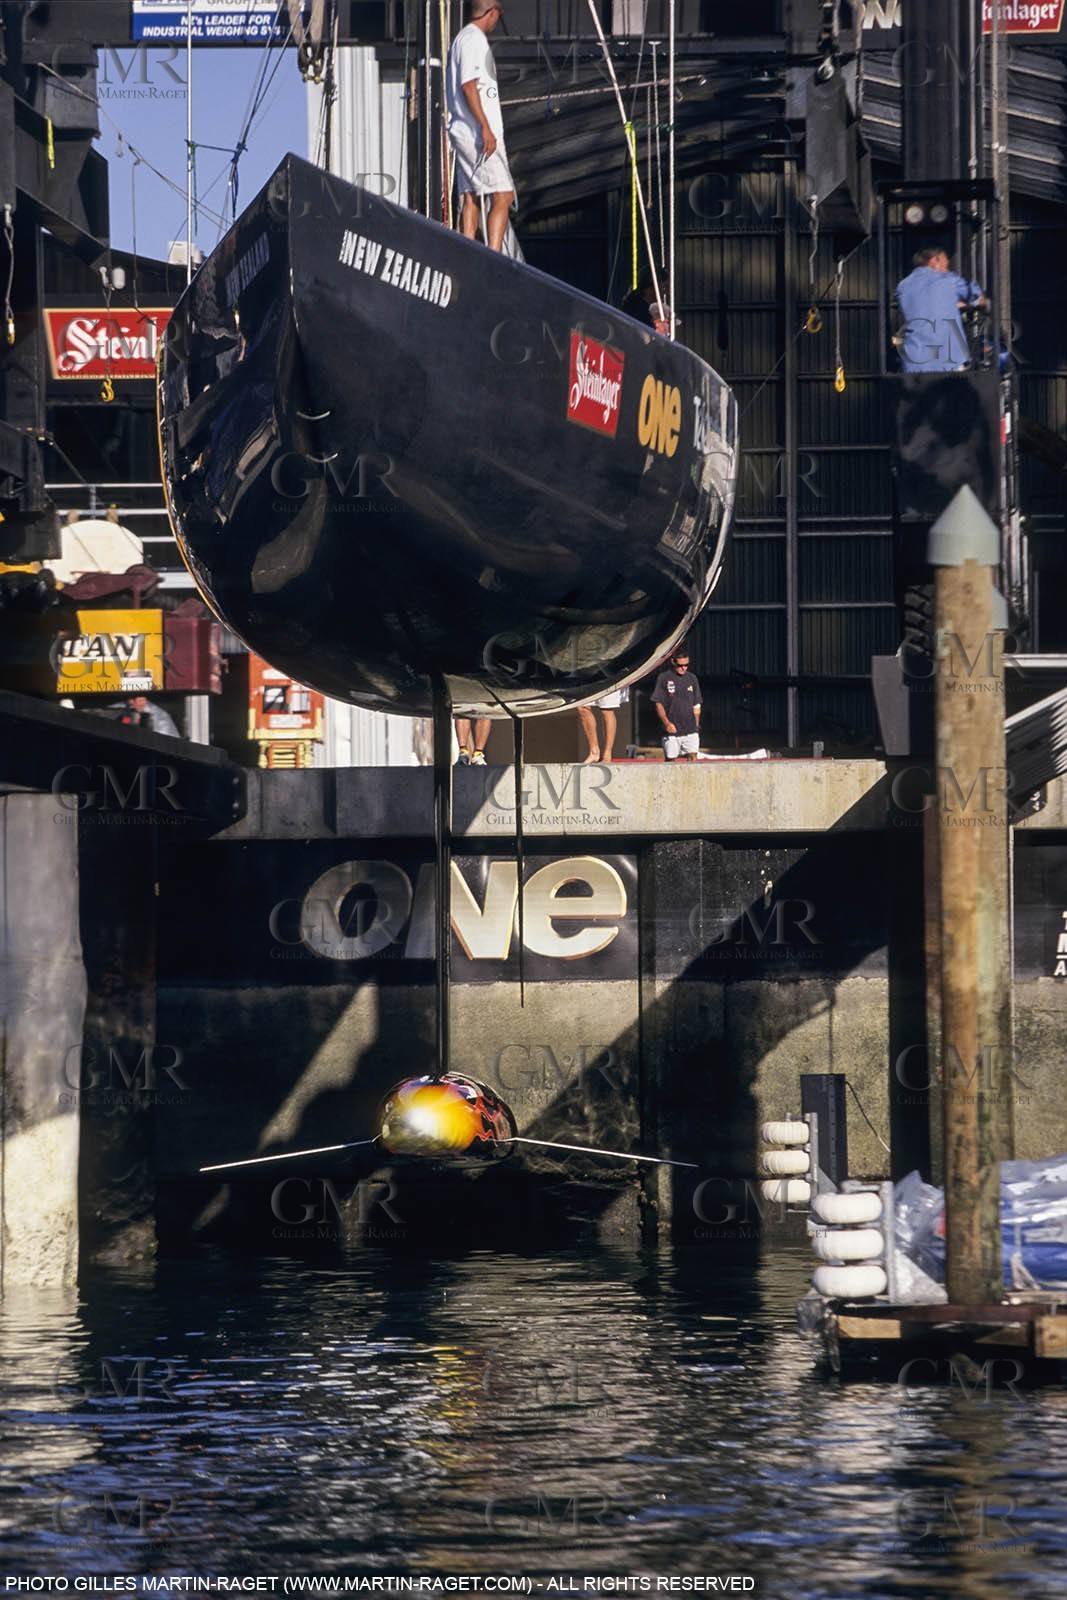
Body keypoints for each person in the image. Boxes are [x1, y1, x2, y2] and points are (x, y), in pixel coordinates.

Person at [446, 3, 515, 253]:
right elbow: (468, 85)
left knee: (471, 196)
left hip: (464, 131)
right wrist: (485, 127)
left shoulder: (461, 39)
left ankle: (467, 252)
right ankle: (492, 255)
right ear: (492, 12)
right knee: (503, 194)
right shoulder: (474, 39)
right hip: (476, 133)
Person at [895, 247, 987, 373]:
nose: (947, 270)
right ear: (934, 261)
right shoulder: (949, 280)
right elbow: (976, 298)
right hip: (949, 362)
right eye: (946, 265)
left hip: (914, 364)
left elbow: (926, 305)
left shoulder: (902, 286)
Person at [651, 645, 701, 761]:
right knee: (670, 760)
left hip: (690, 729)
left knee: (693, 758)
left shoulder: (692, 678)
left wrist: (696, 725)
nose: (683, 668)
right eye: (680, 665)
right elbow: (658, 703)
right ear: (673, 662)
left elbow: (697, 704)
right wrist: (667, 723)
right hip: (671, 731)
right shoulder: (663, 678)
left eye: (686, 665)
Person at [577, 688, 628, 764]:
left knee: (606, 709)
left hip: (608, 677)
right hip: (586, 677)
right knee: (582, 707)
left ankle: (607, 753)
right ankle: (594, 752)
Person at [621, 267, 671, 336]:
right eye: (663, 287)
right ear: (649, 287)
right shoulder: (638, 311)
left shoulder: (640, 306)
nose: (664, 292)